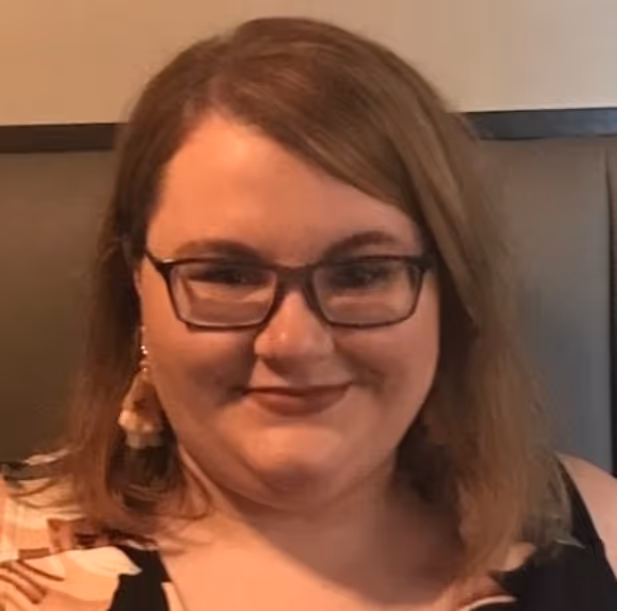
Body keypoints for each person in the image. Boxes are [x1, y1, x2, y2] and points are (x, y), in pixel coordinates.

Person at [1, 16, 616, 611]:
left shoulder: (594, 529)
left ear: (449, 295)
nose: (294, 343)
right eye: (227, 275)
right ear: (136, 286)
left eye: (362, 274)